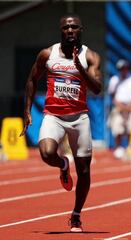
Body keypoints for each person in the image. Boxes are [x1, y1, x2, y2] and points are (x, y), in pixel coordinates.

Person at [20, 14, 102, 232]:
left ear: (81, 29)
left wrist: (80, 68)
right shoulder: (48, 54)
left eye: (74, 26)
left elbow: (97, 88)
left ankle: (76, 215)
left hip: (79, 118)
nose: (70, 30)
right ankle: (63, 165)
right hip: (53, 116)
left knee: (84, 171)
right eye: (66, 27)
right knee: (47, 153)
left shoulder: (90, 56)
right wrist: (27, 110)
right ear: (61, 30)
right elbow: (31, 80)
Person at [107, 59, 131, 159]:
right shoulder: (114, 79)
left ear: (128, 68)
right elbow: (112, 95)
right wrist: (120, 106)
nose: (123, 70)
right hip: (119, 107)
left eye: (125, 68)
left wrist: (130, 105)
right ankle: (118, 148)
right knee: (118, 129)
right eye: (121, 69)